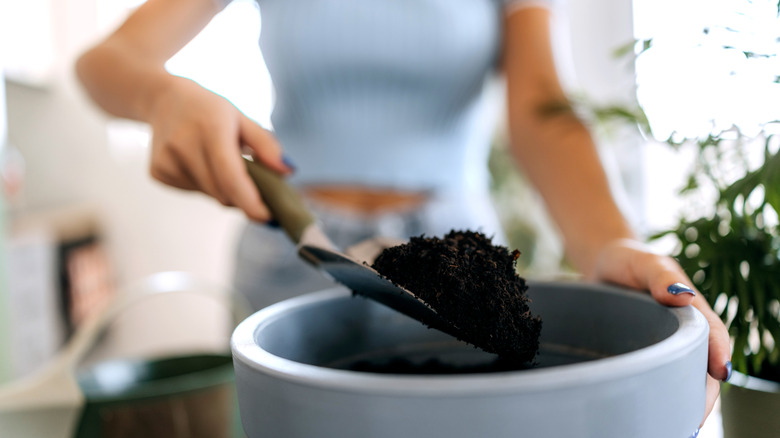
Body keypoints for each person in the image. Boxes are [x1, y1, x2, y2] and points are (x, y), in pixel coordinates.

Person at [75, 0, 730, 426]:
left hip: (453, 266)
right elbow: (106, 61)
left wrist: (610, 241)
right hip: (288, 253)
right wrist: (163, 95)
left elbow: (541, 112)